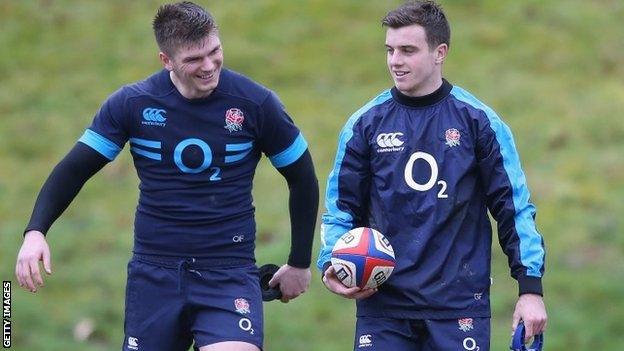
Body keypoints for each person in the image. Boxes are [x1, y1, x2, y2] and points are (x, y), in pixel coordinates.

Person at [15, 2, 319, 350]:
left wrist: (299, 263)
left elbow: (303, 177)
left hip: (228, 272)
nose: (209, 66)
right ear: (166, 60)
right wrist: (36, 231)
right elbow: (74, 170)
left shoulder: (256, 104)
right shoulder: (132, 104)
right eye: (194, 60)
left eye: (214, 51)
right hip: (154, 274)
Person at [317, 1, 547, 350]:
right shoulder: (363, 125)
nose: (395, 61)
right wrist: (331, 262)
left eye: (408, 50)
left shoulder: (479, 122)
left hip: (457, 307)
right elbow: (340, 210)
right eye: (390, 50)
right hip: (383, 308)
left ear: (440, 52)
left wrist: (530, 290)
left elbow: (513, 209)